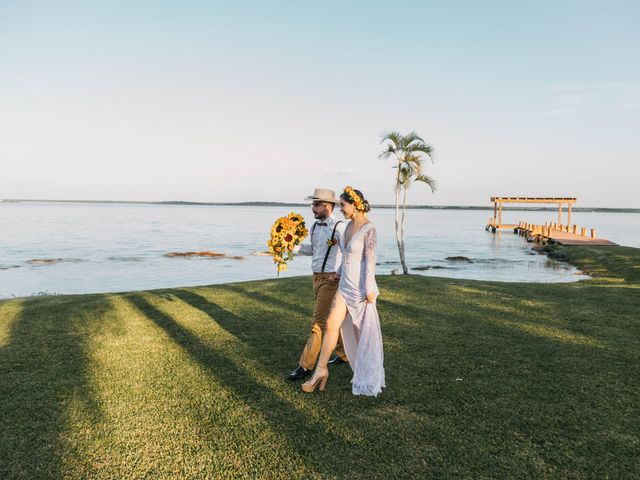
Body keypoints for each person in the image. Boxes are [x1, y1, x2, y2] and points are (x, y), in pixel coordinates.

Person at [302, 186, 385, 396]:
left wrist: (369, 289)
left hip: (360, 289)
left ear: (355, 205)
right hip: (345, 285)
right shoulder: (347, 227)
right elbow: (347, 256)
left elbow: (370, 262)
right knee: (330, 324)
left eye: (343, 205)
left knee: (363, 334)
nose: (341, 209)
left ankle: (367, 374)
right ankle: (320, 371)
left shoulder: (369, 229)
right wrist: (337, 272)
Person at [288, 188, 349, 381]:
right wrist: (293, 247)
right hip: (316, 277)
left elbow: (349, 254)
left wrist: (339, 274)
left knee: (318, 322)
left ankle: (305, 366)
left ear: (326, 206)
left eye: (315, 204)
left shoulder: (339, 227)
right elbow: (313, 250)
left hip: (331, 280)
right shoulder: (314, 227)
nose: (312, 208)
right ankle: (343, 355)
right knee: (333, 320)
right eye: (313, 204)